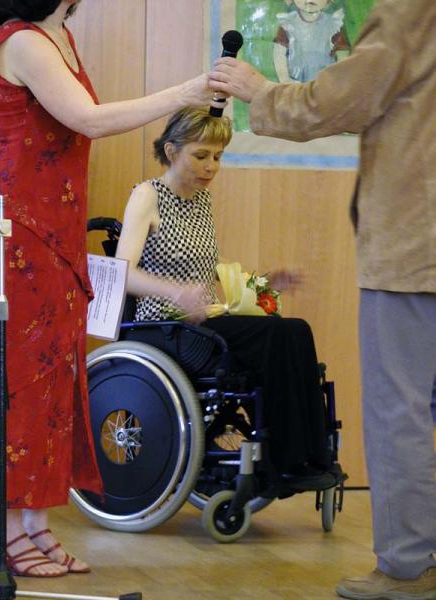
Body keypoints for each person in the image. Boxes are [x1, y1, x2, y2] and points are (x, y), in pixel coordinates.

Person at [0, 0, 221, 578]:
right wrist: (186, 93)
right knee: (20, 381)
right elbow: (88, 120)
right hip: (19, 233)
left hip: (58, 230)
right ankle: (1, 529)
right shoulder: (21, 39)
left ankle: (35, 522)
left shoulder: (60, 36)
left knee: (54, 383)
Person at [209, 0, 436, 598]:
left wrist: (261, 92)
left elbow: (345, 96)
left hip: (416, 245)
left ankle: (409, 567)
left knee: (401, 412)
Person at [116, 105, 341, 505]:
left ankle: (310, 459)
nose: (211, 167)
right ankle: (287, 462)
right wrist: (175, 292)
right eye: (201, 155)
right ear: (171, 151)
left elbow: (209, 269)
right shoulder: (147, 195)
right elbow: (122, 274)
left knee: (295, 330)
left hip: (202, 323)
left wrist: (263, 281)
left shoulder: (201, 200)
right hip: (163, 327)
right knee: (274, 336)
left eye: (218, 157)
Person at [273, 0, 347, 83]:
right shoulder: (288, 23)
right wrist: (285, 79)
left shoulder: (333, 24)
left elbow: (342, 54)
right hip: (295, 82)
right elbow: (279, 53)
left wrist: (338, 79)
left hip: (325, 82)